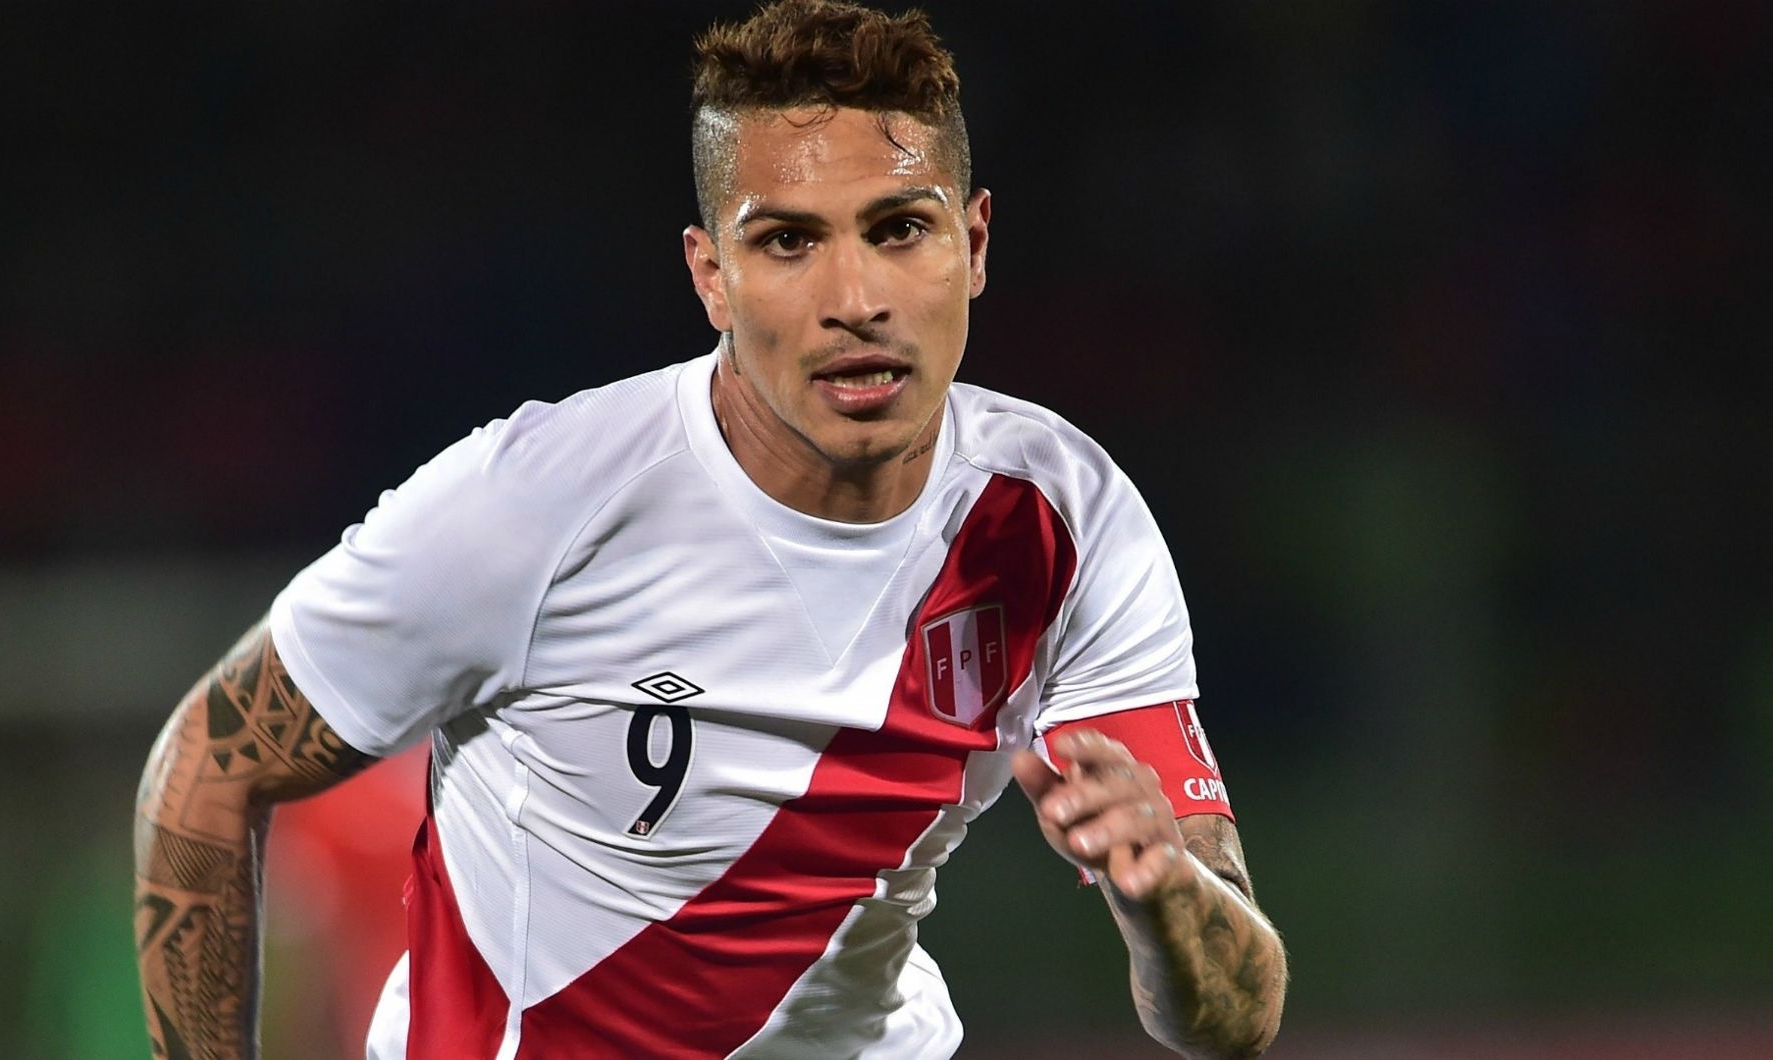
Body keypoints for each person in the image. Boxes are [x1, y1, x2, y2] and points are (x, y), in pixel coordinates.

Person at [133, 1, 1289, 1056]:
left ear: (975, 245)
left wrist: (1166, 900)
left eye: (899, 228)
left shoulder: (1060, 522)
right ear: (712, 276)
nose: (856, 299)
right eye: (788, 241)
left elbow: (1233, 1020)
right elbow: (209, 767)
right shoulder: (538, 503)